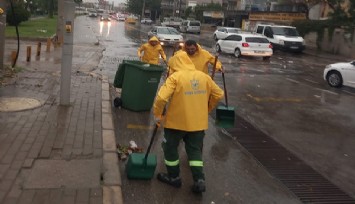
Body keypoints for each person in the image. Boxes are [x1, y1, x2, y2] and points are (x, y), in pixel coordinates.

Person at [153, 51, 224, 193]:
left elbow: (161, 98)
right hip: (197, 124)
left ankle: (174, 177)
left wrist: (158, 115)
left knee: (170, 148)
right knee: (194, 151)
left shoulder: (176, 77)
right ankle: (199, 180)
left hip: (176, 123)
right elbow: (219, 94)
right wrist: (208, 107)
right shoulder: (204, 77)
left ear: (175, 64)